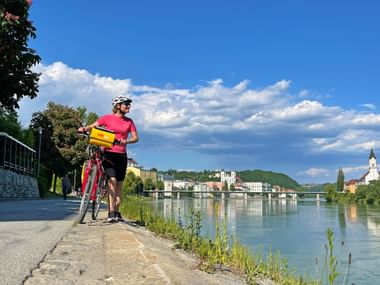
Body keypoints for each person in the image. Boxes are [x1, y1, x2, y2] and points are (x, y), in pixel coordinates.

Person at [78, 95, 139, 222]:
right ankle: (111, 212)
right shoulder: (107, 118)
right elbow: (93, 126)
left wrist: (127, 141)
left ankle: (117, 211)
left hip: (121, 155)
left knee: (119, 185)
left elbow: (135, 137)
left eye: (129, 104)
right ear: (117, 106)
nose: (128, 106)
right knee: (112, 180)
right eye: (125, 104)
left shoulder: (129, 121)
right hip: (108, 153)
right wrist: (84, 129)